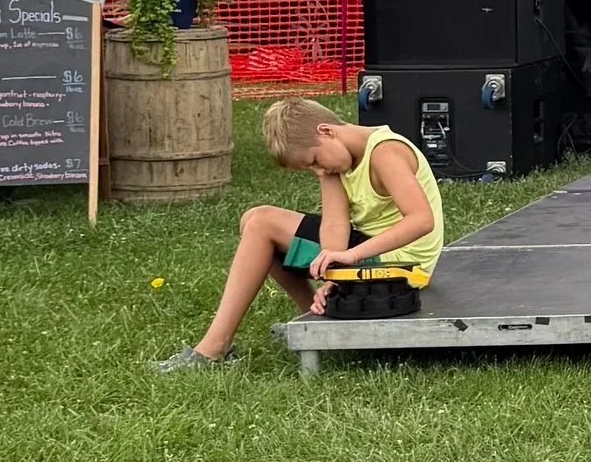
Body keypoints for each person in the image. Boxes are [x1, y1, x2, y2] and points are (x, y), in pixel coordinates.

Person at [154, 96, 446, 372]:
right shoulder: (334, 164)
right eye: (310, 168)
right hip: (372, 254)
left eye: (315, 160)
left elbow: (421, 220)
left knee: (262, 224)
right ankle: (316, 315)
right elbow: (334, 225)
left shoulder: (385, 151)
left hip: (404, 265)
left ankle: (212, 349)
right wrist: (333, 276)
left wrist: (350, 255)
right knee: (252, 222)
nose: (318, 171)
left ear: (326, 131)